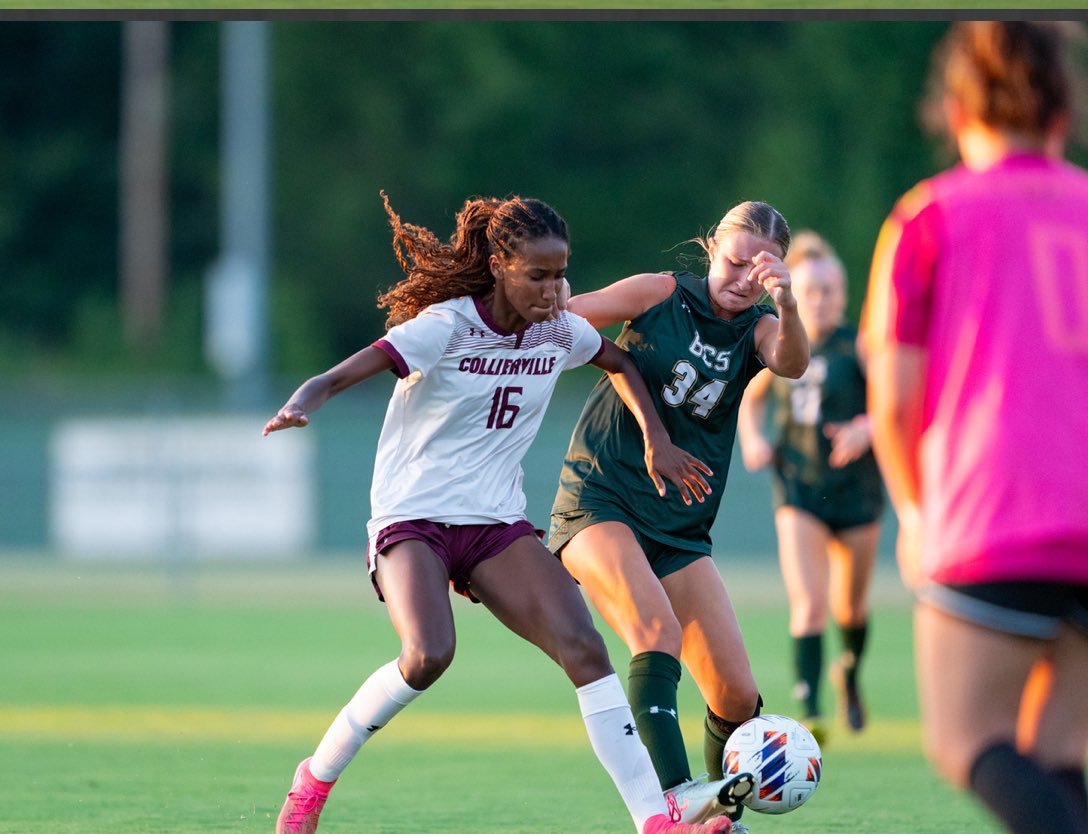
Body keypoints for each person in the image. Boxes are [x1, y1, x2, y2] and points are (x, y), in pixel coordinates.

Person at [264, 192, 738, 834]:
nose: (554, 290)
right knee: (429, 655)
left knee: (585, 648)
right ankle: (313, 780)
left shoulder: (559, 328)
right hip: (414, 517)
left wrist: (657, 438)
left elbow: (618, 359)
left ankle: (656, 822)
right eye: (538, 275)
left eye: (561, 273)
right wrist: (303, 400)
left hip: (493, 523)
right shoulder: (447, 325)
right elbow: (348, 371)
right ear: (498, 266)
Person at [863, 21, 1088, 834]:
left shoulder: (929, 216)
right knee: (1058, 756)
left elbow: (894, 397)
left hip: (998, 514)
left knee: (967, 741)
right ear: (1062, 114)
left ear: (956, 112)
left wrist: (919, 518)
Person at [549, 201, 809, 831]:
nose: (744, 278)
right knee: (656, 633)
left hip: (678, 526)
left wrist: (791, 305)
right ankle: (678, 807)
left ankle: (716, 812)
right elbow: (565, 322)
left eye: (761, 270)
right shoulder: (659, 293)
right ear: (711, 248)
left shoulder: (760, 327)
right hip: (600, 499)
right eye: (735, 261)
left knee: (737, 697)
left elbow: (793, 363)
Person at [737, 231, 883, 741]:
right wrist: (753, 440)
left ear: (844, 293)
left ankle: (848, 674)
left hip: (858, 490)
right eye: (813, 289)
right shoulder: (781, 342)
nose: (822, 298)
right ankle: (810, 709)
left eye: (831, 289)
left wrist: (868, 427)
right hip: (800, 485)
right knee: (810, 603)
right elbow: (750, 401)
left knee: (851, 607)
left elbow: (895, 405)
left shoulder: (861, 347)